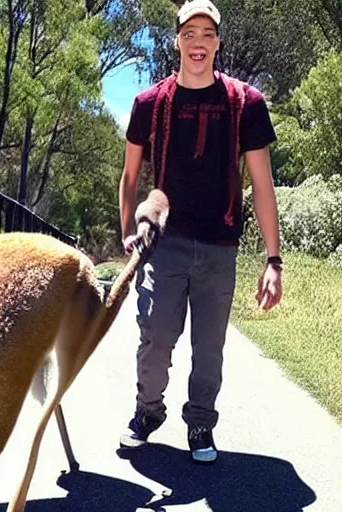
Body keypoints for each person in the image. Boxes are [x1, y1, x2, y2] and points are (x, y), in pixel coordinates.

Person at [118, 0, 282, 463]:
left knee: (209, 350)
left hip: (219, 245)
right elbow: (130, 176)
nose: (198, 43)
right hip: (163, 245)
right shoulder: (148, 104)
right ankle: (148, 411)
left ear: (217, 43)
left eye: (207, 34)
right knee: (153, 339)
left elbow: (262, 184)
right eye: (189, 33)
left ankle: (200, 424)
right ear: (177, 41)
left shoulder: (245, 103)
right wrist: (128, 230)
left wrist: (273, 260)